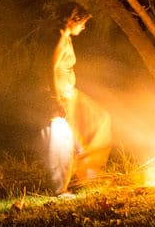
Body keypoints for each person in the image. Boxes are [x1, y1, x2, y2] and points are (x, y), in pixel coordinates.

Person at [47, 11, 112, 193]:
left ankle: (87, 171)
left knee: (99, 119)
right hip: (63, 96)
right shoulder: (60, 39)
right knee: (67, 140)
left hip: (70, 93)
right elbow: (50, 68)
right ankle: (62, 187)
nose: (83, 27)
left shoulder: (67, 38)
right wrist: (56, 99)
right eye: (82, 23)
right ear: (71, 20)